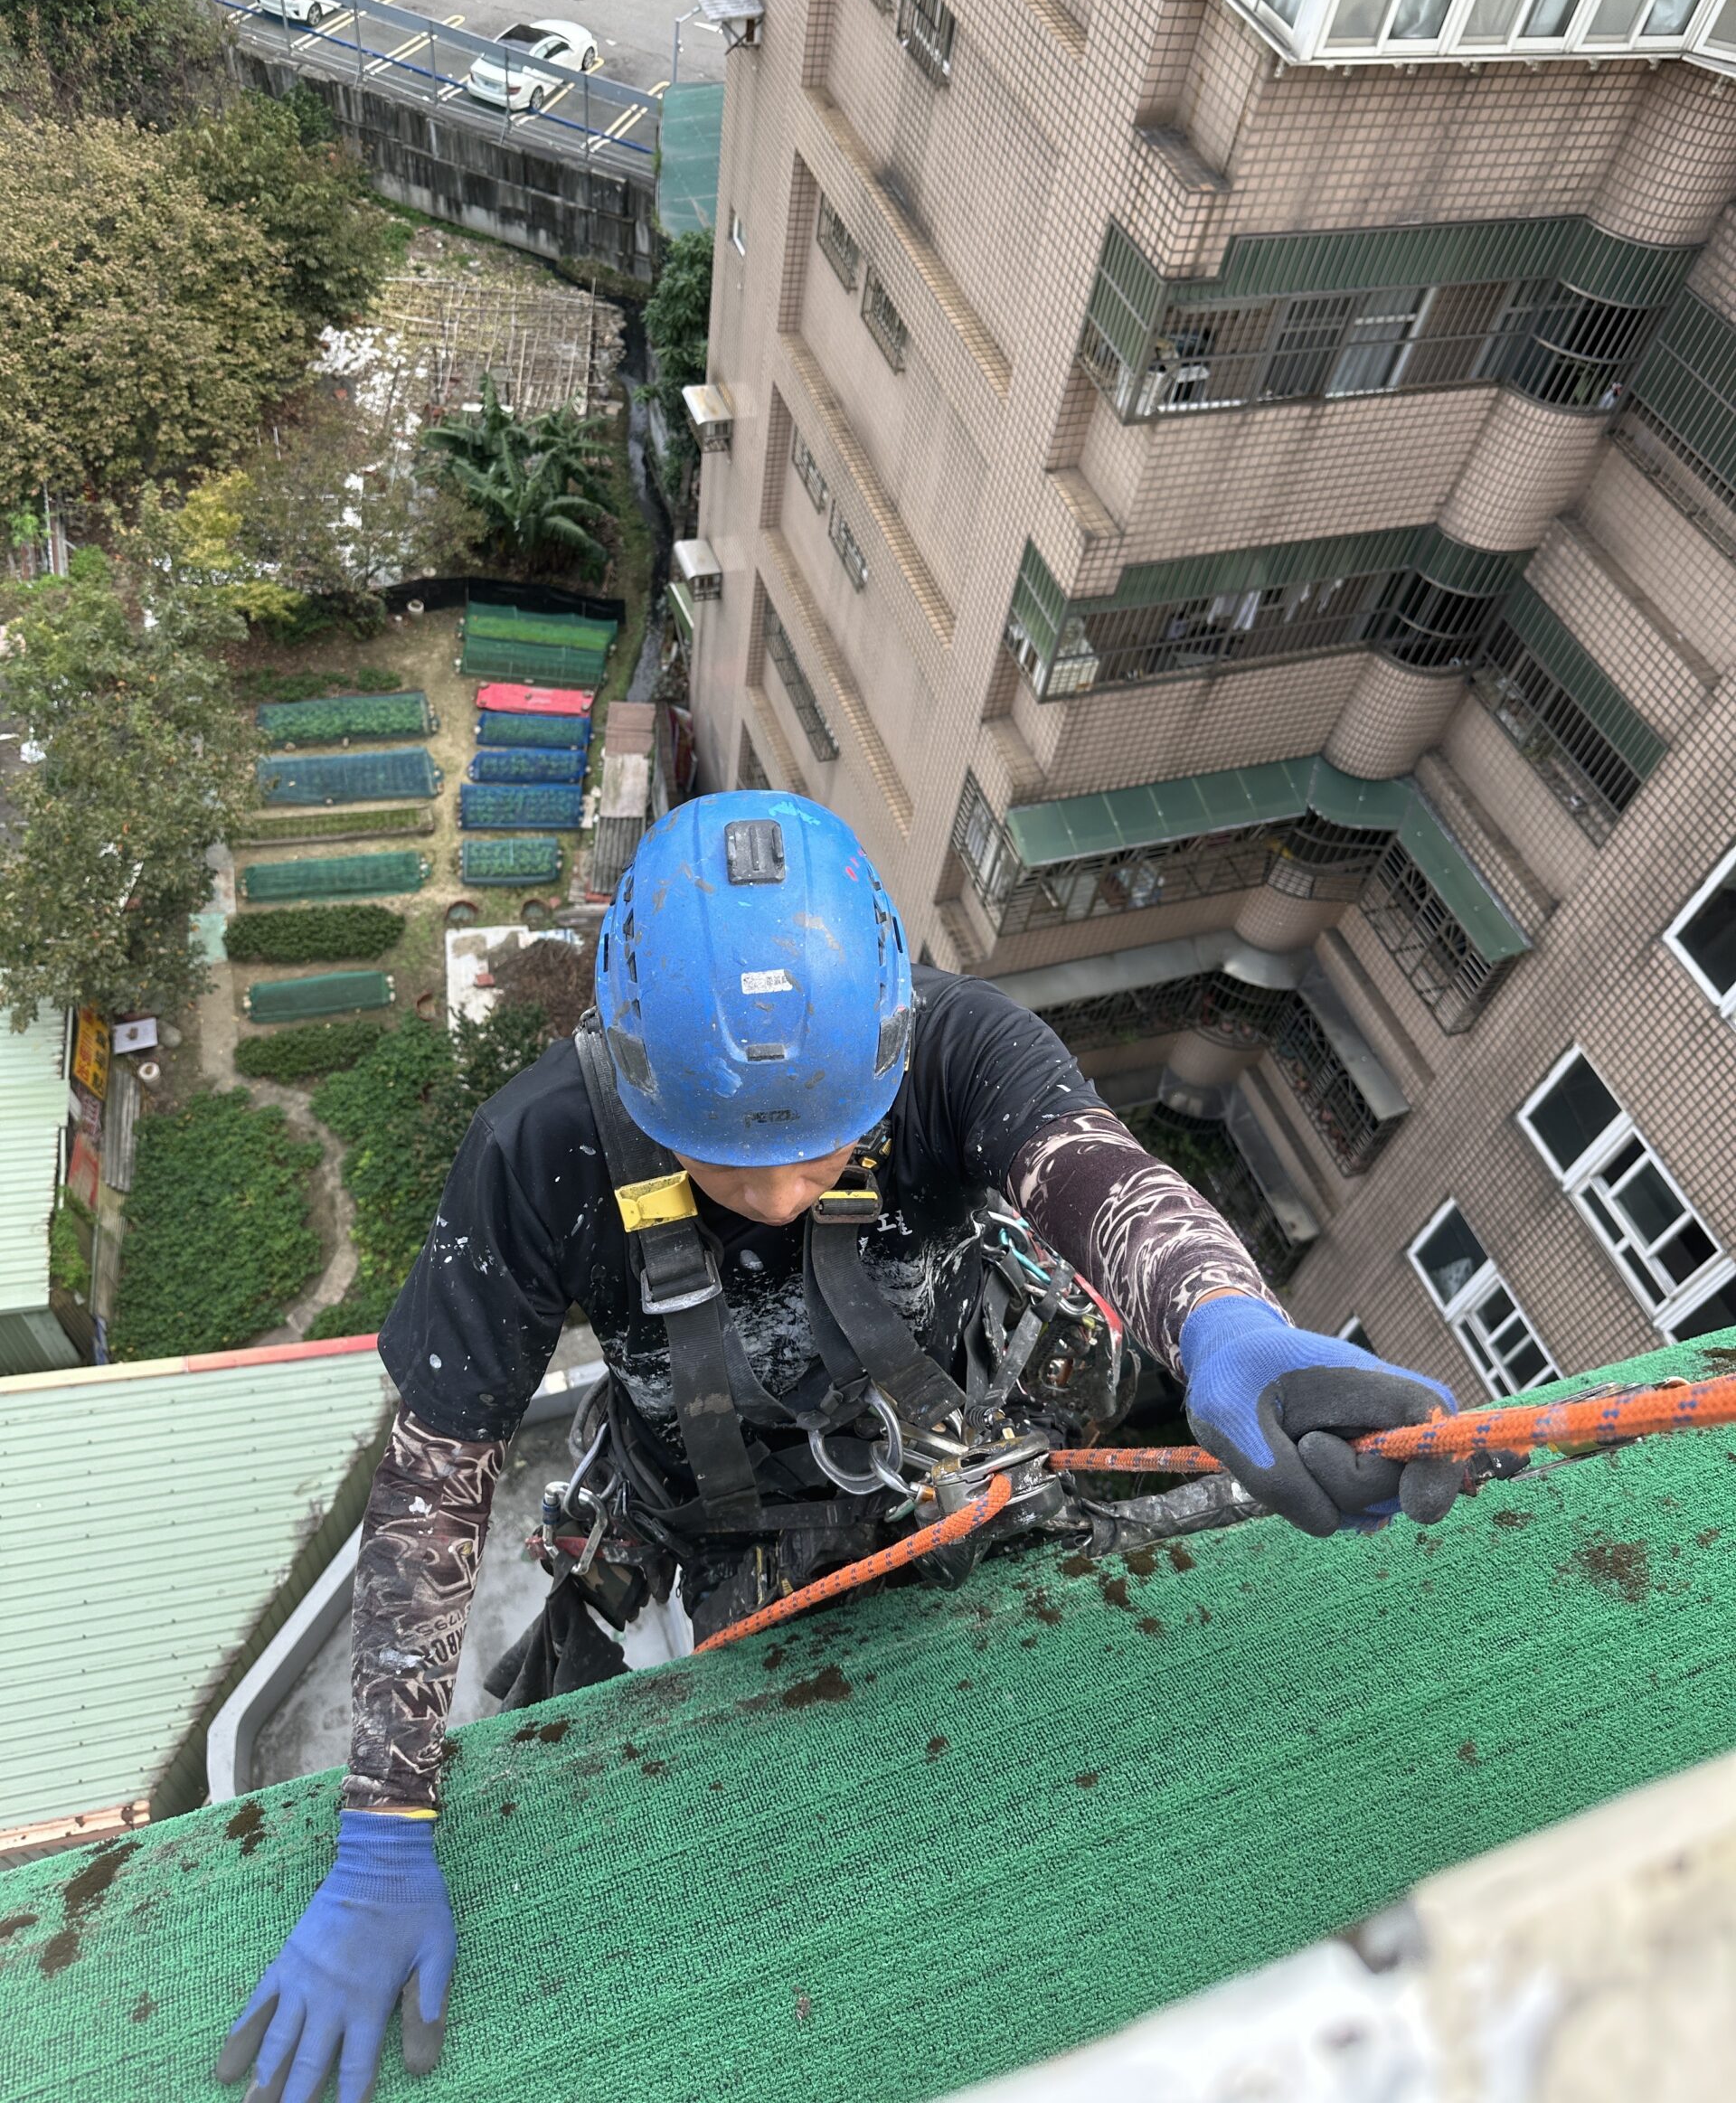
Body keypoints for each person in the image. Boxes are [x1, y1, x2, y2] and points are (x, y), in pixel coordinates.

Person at [215, 791, 1467, 2103]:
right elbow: (435, 1477)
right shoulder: (542, 1150)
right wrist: (383, 1824)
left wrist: (1229, 1332)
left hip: (945, 1473)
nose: (775, 1194)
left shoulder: (953, 1051)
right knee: (793, 1827)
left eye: (814, 1150)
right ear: (637, 1062)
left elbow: (1105, 1184)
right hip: (715, 1520)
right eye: (726, 1161)